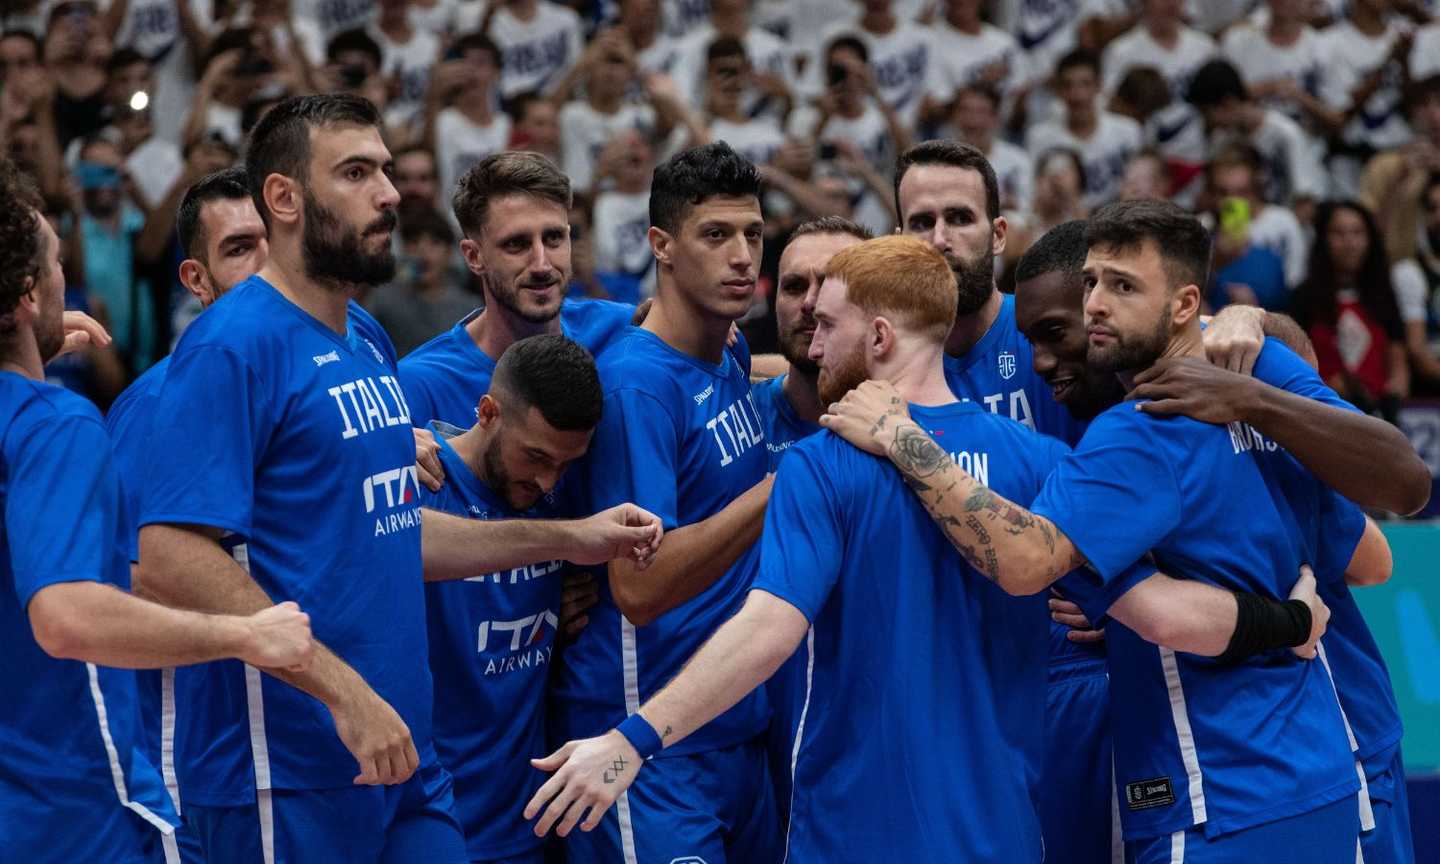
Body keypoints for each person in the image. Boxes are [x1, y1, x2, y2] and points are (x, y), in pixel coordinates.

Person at [523, 233, 1332, 862]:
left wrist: (633, 739)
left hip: (854, 835)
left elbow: (768, 627)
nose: (811, 347)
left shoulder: (822, 460)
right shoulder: (1037, 460)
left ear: (878, 335)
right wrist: (1289, 620)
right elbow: (1162, 614)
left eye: (828, 327)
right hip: (1006, 833)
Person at [132, 94, 663, 863]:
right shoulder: (232, 345)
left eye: (385, 169)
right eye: (356, 173)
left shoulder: (366, 335)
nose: (388, 192)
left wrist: (567, 539)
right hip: (292, 775)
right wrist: (343, 692)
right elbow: (166, 555)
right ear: (284, 198)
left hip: (407, 756)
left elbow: (391, 531)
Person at [826, 200, 1384, 864]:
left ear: (1180, 305)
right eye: (1093, 283)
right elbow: (1373, 550)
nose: (1096, 307)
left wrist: (901, 438)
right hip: (1322, 771)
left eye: (1118, 287)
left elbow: (1031, 562)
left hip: (1216, 790)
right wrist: (1294, 616)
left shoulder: (1135, 433)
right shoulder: (1259, 378)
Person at [0, 155, 312, 864]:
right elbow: (66, 615)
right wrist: (242, 635)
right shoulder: (58, 421)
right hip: (77, 804)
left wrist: (29, 349)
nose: (65, 279)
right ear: (24, 292)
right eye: (55, 264)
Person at [547, 141, 780, 863]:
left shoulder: (729, 351)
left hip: (732, 727)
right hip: (644, 741)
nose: (741, 255)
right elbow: (639, 586)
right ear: (662, 246)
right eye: (716, 235)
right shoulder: (638, 387)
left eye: (752, 234)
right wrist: (785, 486)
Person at [422, 334, 605, 864]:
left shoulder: (562, 493)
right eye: (536, 456)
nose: (549, 481)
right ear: (487, 411)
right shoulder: (419, 482)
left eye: (566, 464)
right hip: (427, 823)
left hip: (528, 825)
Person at [398, 150, 634, 431]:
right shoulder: (420, 385)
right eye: (516, 244)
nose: (542, 264)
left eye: (554, 238)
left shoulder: (619, 331)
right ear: (474, 256)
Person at [1294, 201, 1409, 424]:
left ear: (1370, 239)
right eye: (1339, 233)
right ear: (1323, 240)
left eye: (1357, 233)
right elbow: (1293, 365)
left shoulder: (1384, 294)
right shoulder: (1303, 297)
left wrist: (1391, 395)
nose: (1350, 243)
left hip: (1379, 418)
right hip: (1321, 415)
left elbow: (1398, 365)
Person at [1027, 49, 1143, 210]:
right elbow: (1036, 197)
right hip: (1066, 224)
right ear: (1058, 90)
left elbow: (1140, 189)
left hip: (1119, 221)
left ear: (1099, 86)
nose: (1077, 95)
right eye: (1068, 85)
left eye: (1085, 84)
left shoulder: (1128, 131)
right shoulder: (1041, 138)